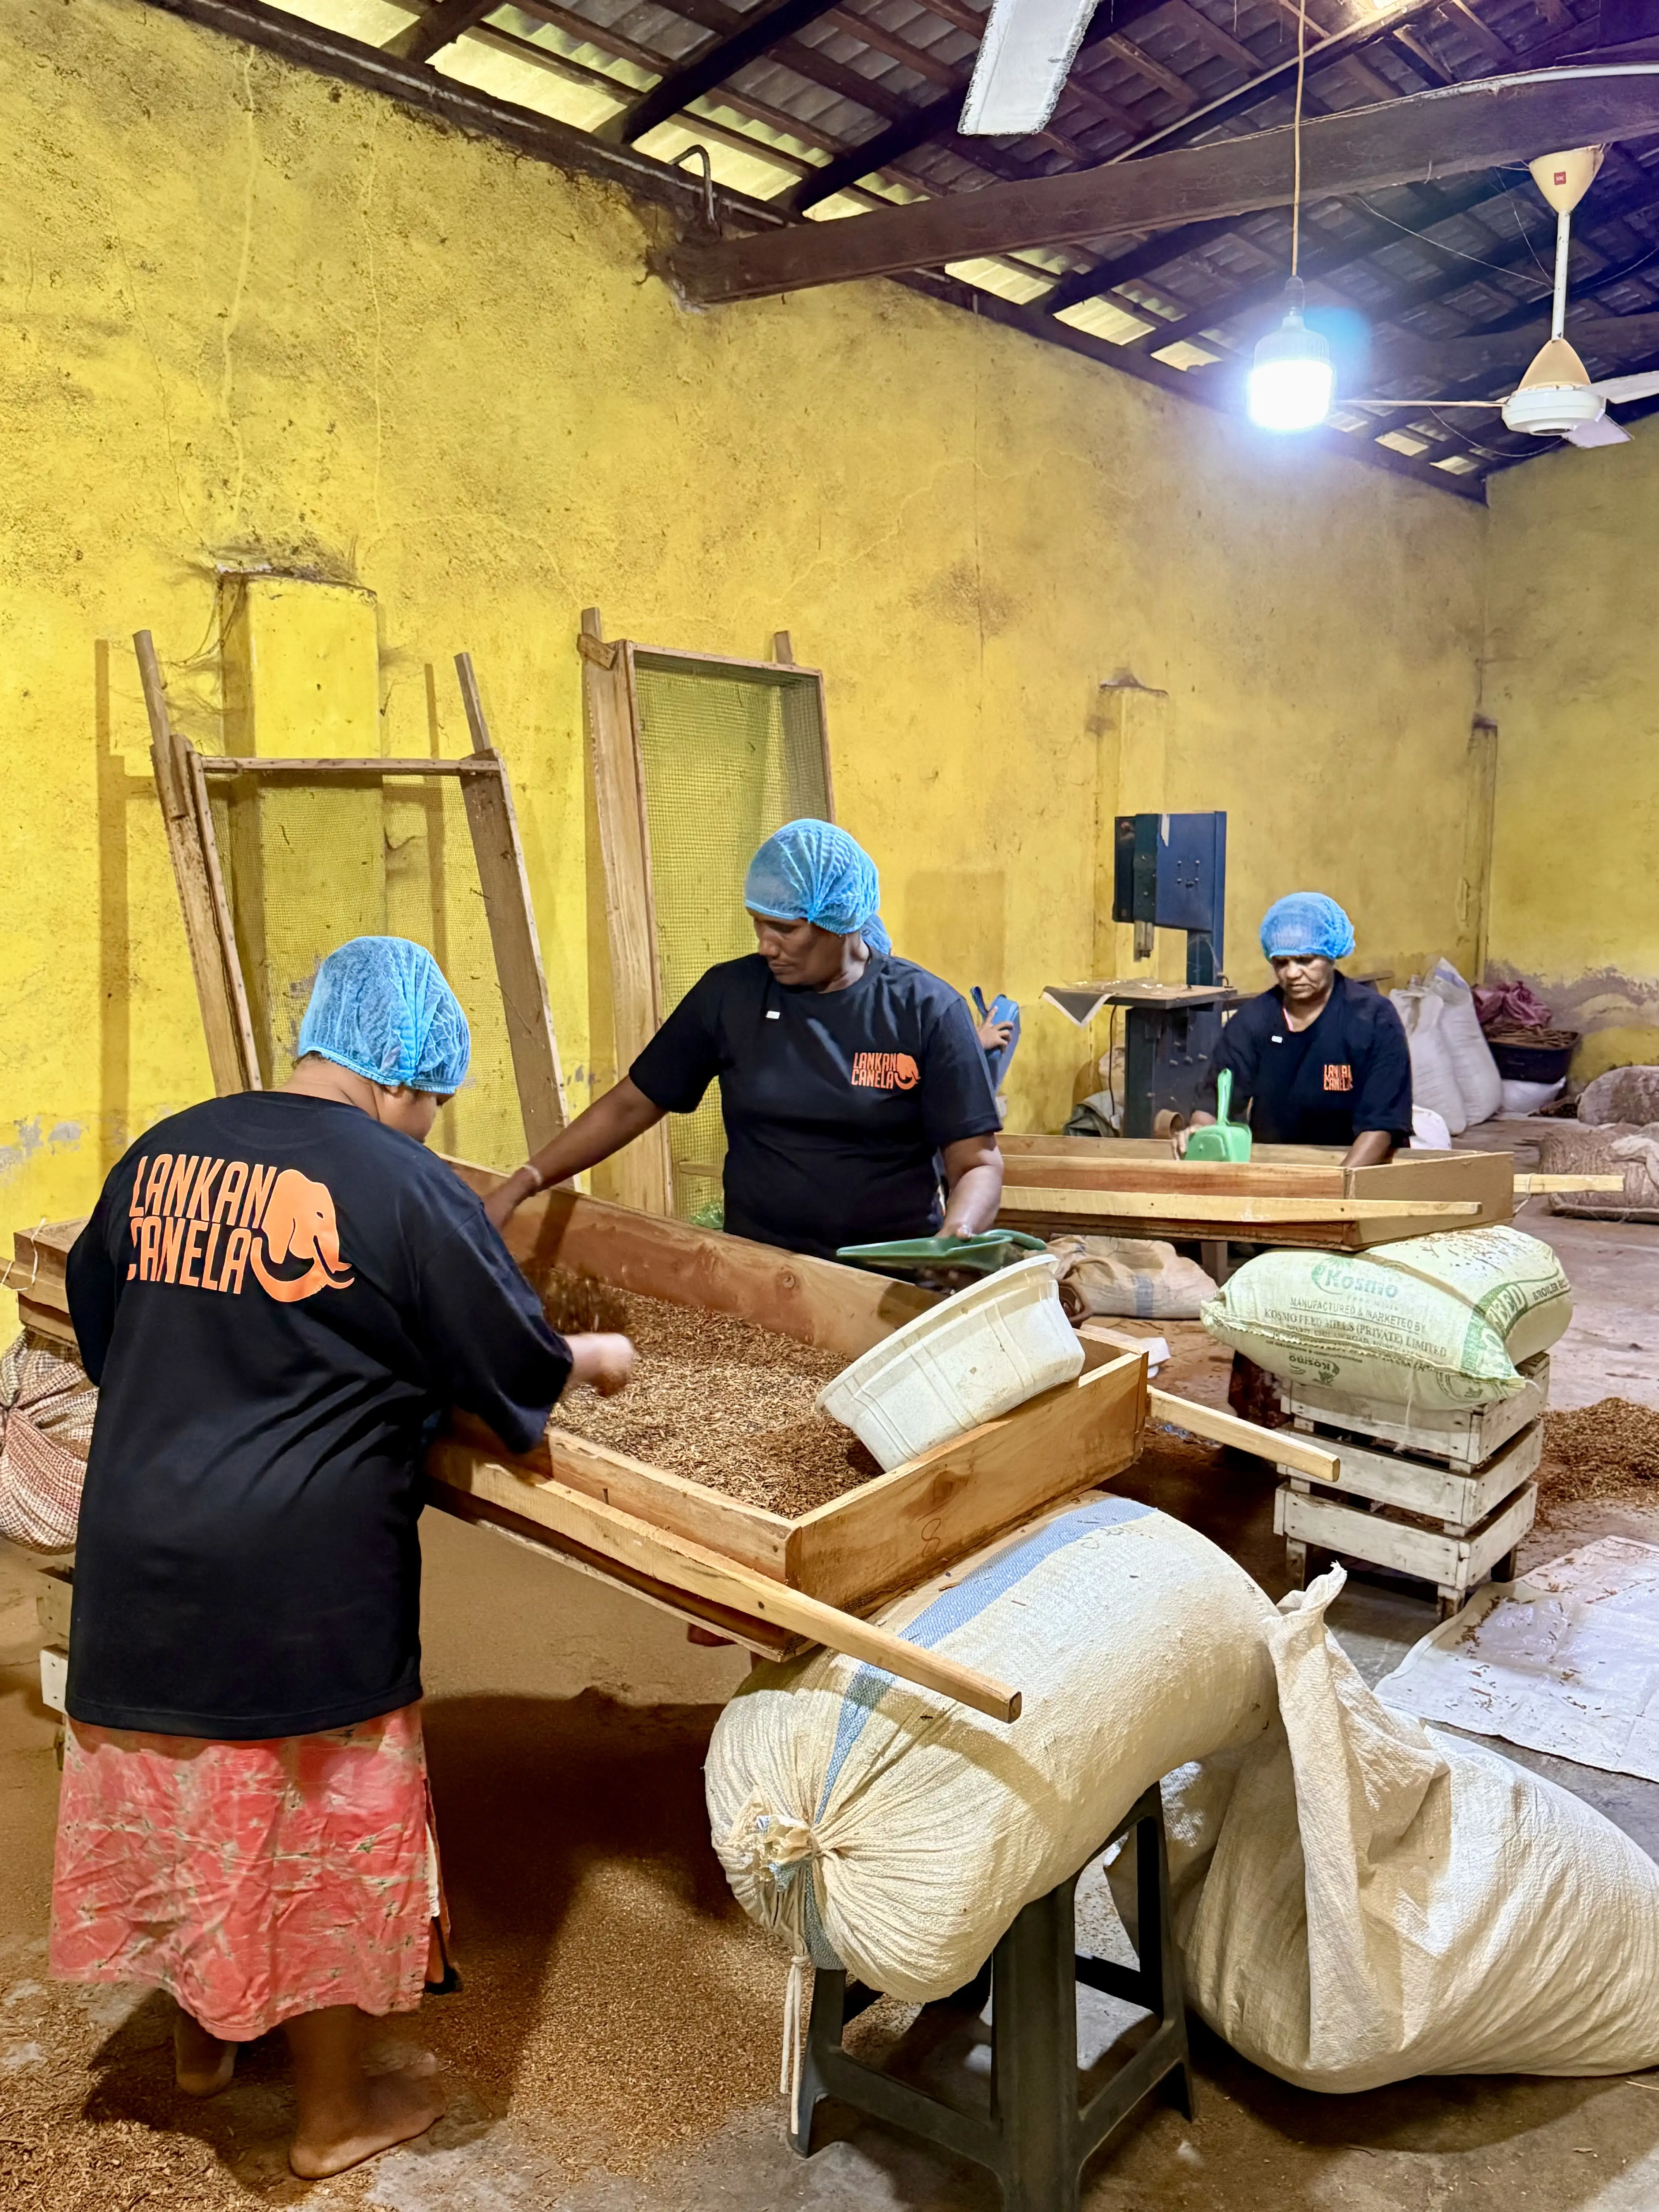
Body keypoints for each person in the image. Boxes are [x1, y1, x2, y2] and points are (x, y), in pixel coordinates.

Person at [54, 938, 635, 2181]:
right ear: (408, 1075)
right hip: (298, 1583)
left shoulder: (167, 1150)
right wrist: (591, 1359)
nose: (429, 1122)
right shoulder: (405, 1185)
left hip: (140, 1556)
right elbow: (509, 1367)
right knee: (305, 1823)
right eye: (433, 1099)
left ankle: (208, 2046)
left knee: (199, 1799)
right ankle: (330, 2116)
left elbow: (110, 1330)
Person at [485, 820, 1004, 1260]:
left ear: (841, 920)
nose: (766, 946)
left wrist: (954, 1241)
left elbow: (977, 1162)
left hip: (892, 1276)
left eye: (784, 929)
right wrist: (527, 1179)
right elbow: (631, 1105)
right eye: (758, 925)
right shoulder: (730, 996)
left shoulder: (926, 1010)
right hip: (760, 1270)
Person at [1180, 891, 1412, 1167]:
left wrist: (1336, 1190)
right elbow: (1214, 1103)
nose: (1291, 974)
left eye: (1305, 960)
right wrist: (1201, 1135)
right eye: (1281, 963)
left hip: (1359, 1167)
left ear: (1331, 955)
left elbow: (1381, 1126)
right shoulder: (1254, 1021)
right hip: (1277, 1166)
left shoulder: (1373, 1020)